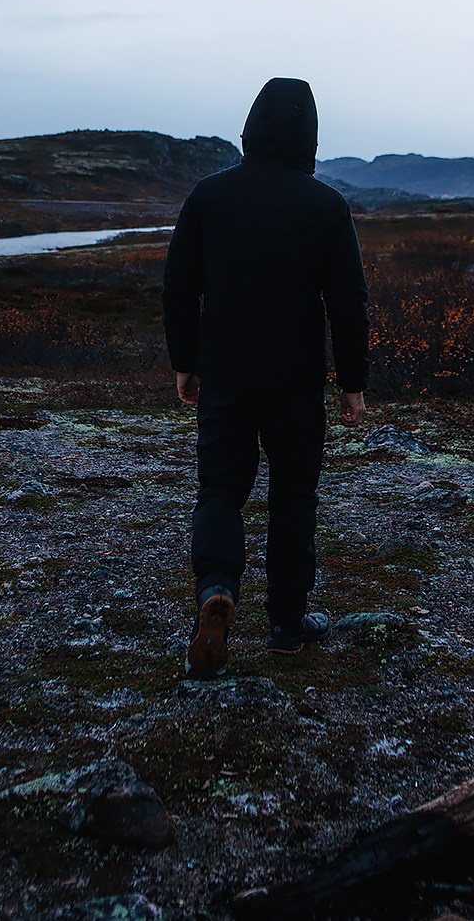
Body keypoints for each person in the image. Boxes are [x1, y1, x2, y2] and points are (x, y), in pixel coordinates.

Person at [162, 77, 369, 678]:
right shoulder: (326, 207)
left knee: (220, 489)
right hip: (295, 380)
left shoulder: (209, 196)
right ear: (310, 136)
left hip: (225, 373)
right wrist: (351, 380)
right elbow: (348, 302)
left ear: (251, 128)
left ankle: (216, 587)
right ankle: (286, 624)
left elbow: (180, 286)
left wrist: (184, 361)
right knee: (293, 496)